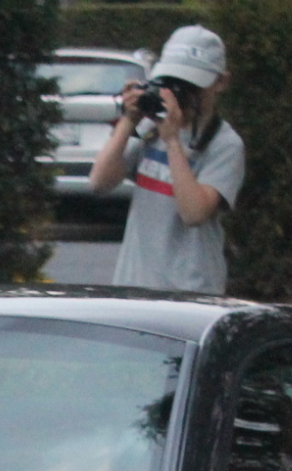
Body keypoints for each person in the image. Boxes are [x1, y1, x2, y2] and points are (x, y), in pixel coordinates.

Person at [88, 24, 246, 295]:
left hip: (191, 291)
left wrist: (173, 141)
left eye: (192, 85)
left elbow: (194, 213)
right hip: (133, 284)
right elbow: (99, 183)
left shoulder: (225, 144)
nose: (181, 93)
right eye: (173, 83)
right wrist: (129, 120)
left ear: (220, 83)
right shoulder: (151, 126)